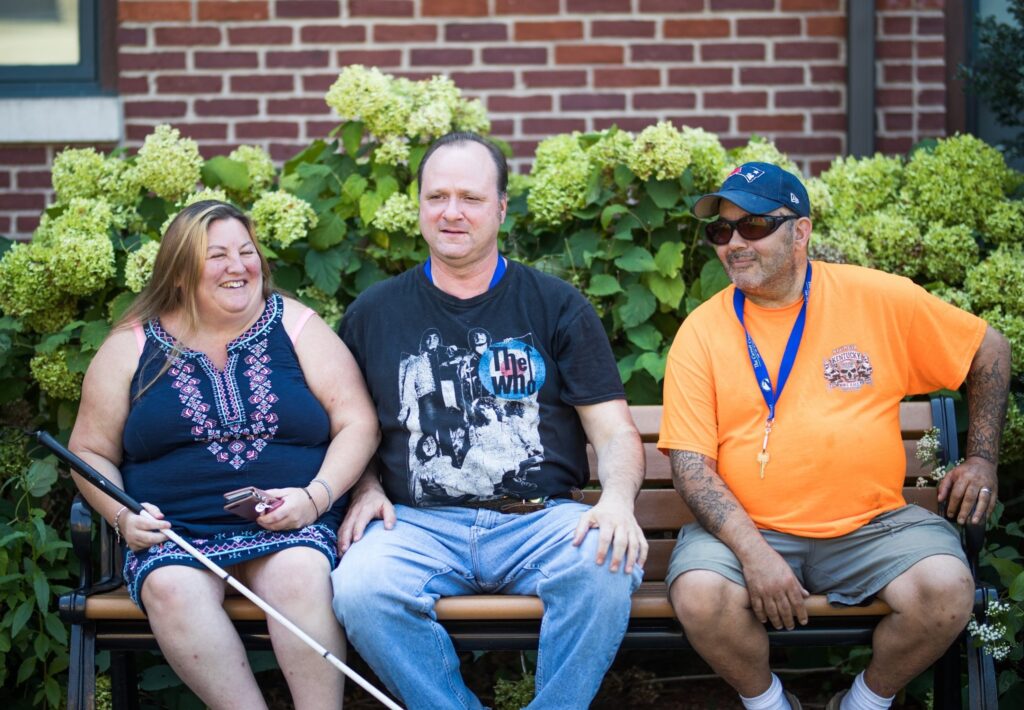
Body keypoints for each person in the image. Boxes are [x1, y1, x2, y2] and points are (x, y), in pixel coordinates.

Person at [659, 162, 1011, 710]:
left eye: (752, 226)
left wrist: (982, 457)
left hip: (871, 528)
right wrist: (753, 552)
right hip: (749, 530)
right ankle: (769, 703)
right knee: (701, 596)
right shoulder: (701, 331)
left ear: (801, 231)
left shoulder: (876, 298)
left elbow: (988, 349)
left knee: (946, 590)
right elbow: (690, 464)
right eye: (720, 230)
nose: (734, 243)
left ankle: (864, 703)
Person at [331, 132, 647, 709]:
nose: (452, 213)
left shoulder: (555, 304)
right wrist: (367, 487)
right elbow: (346, 426)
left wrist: (618, 501)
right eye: (437, 197)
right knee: (359, 587)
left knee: (604, 566)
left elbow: (614, 430)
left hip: (539, 522)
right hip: (418, 527)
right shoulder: (374, 313)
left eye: (471, 199)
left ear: (501, 208)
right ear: (420, 205)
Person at [68, 200, 379, 709]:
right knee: (170, 588)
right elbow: (89, 450)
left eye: (246, 251)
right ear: (180, 273)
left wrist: (315, 498)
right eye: (217, 256)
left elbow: (358, 422)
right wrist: (122, 516)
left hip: (288, 524)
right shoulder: (131, 346)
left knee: (302, 572)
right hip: (179, 537)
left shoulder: (296, 325)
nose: (239, 266)